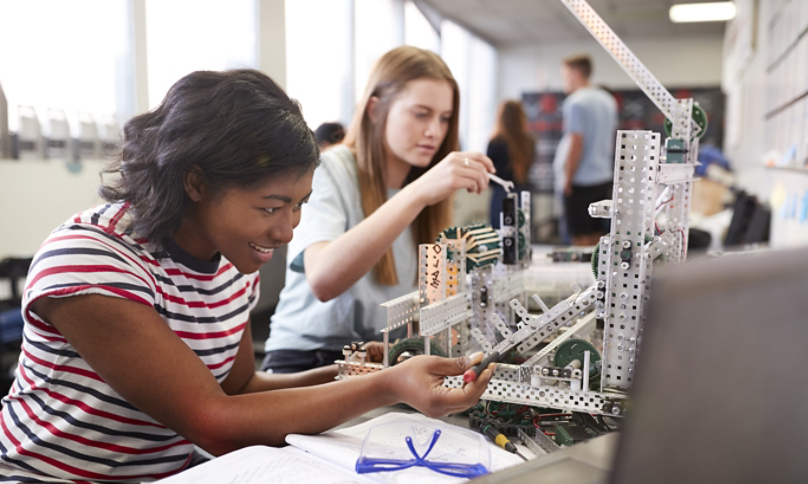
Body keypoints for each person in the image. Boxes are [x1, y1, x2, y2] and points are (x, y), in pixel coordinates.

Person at [0, 69, 496, 483]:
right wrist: (387, 386)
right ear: (195, 182)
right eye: (271, 206)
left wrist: (358, 371)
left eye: (299, 205)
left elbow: (239, 390)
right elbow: (213, 421)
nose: (287, 230)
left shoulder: (233, 261)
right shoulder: (94, 260)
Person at [262, 46, 495, 374]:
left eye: (444, 118)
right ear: (375, 109)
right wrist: (418, 194)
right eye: (421, 113)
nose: (435, 131)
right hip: (307, 361)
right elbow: (324, 280)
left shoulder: (426, 193)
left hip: (382, 359)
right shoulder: (330, 169)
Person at [554, 54, 617, 246]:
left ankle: (585, 275)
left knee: (580, 240)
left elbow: (576, 144)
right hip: (603, 178)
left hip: (580, 181)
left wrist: (567, 178)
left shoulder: (576, 102)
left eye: (565, 75)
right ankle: (597, 275)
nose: (564, 80)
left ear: (576, 73)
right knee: (598, 238)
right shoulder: (608, 100)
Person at [486, 100, 535, 228]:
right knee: (523, 238)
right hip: (524, 195)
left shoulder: (495, 142)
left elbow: (489, 175)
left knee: (501, 238)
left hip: (501, 196)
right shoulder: (529, 141)